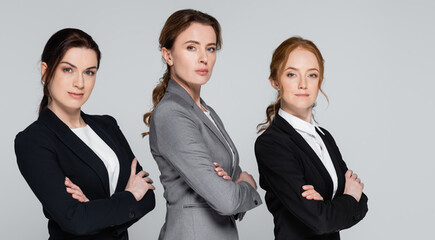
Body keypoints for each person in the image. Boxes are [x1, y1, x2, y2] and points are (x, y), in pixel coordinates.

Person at [15, 28, 156, 240]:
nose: (80, 83)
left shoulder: (107, 126)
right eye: (68, 70)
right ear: (45, 72)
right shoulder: (33, 141)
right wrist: (129, 196)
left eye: (89, 72)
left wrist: (94, 209)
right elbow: (76, 221)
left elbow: (148, 196)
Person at [143, 9, 261, 240]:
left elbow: (232, 177)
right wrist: (248, 186)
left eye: (211, 48)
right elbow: (227, 200)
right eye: (191, 47)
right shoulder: (172, 113)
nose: (203, 58)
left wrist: (233, 184)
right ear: (168, 55)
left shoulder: (205, 111)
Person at [254, 36, 369, 240]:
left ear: (319, 81)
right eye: (292, 74)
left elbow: (363, 202)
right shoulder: (271, 144)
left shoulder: (325, 137)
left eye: (312, 75)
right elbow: (320, 220)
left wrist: (328, 205)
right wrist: (349, 197)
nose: (303, 84)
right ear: (275, 81)